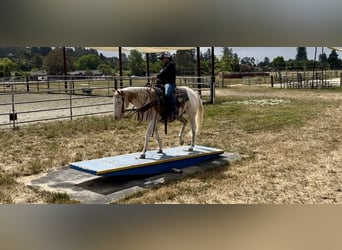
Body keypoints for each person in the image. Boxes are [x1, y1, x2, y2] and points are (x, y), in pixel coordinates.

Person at [151, 52, 177, 121]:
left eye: (162, 58)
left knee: (167, 94)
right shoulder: (164, 66)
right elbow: (162, 74)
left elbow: (164, 73)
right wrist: (157, 80)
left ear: (167, 58)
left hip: (170, 83)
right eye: (161, 59)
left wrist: (156, 76)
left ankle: (173, 111)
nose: (161, 60)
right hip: (162, 84)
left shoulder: (171, 65)